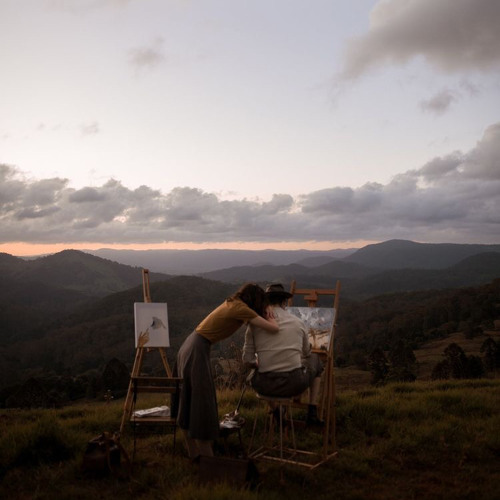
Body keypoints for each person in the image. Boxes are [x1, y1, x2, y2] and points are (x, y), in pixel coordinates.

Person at [175, 282, 279, 459]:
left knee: (188, 399)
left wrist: (267, 304)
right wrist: (271, 314)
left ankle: (194, 456)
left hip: (189, 345)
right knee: (202, 400)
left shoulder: (233, 303)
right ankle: (208, 460)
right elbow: (273, 328)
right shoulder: (242, 309)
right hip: (198, 348)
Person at [242, 283, 325, 426]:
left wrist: (260, 362)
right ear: (284, 302)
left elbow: (247, 360)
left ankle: (276, 412)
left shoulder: (254, 325)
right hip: (293, 384)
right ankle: (312, 410)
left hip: (263, 386)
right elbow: (307, 353)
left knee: (255, 372)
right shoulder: (298, 323)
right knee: (316, 360)